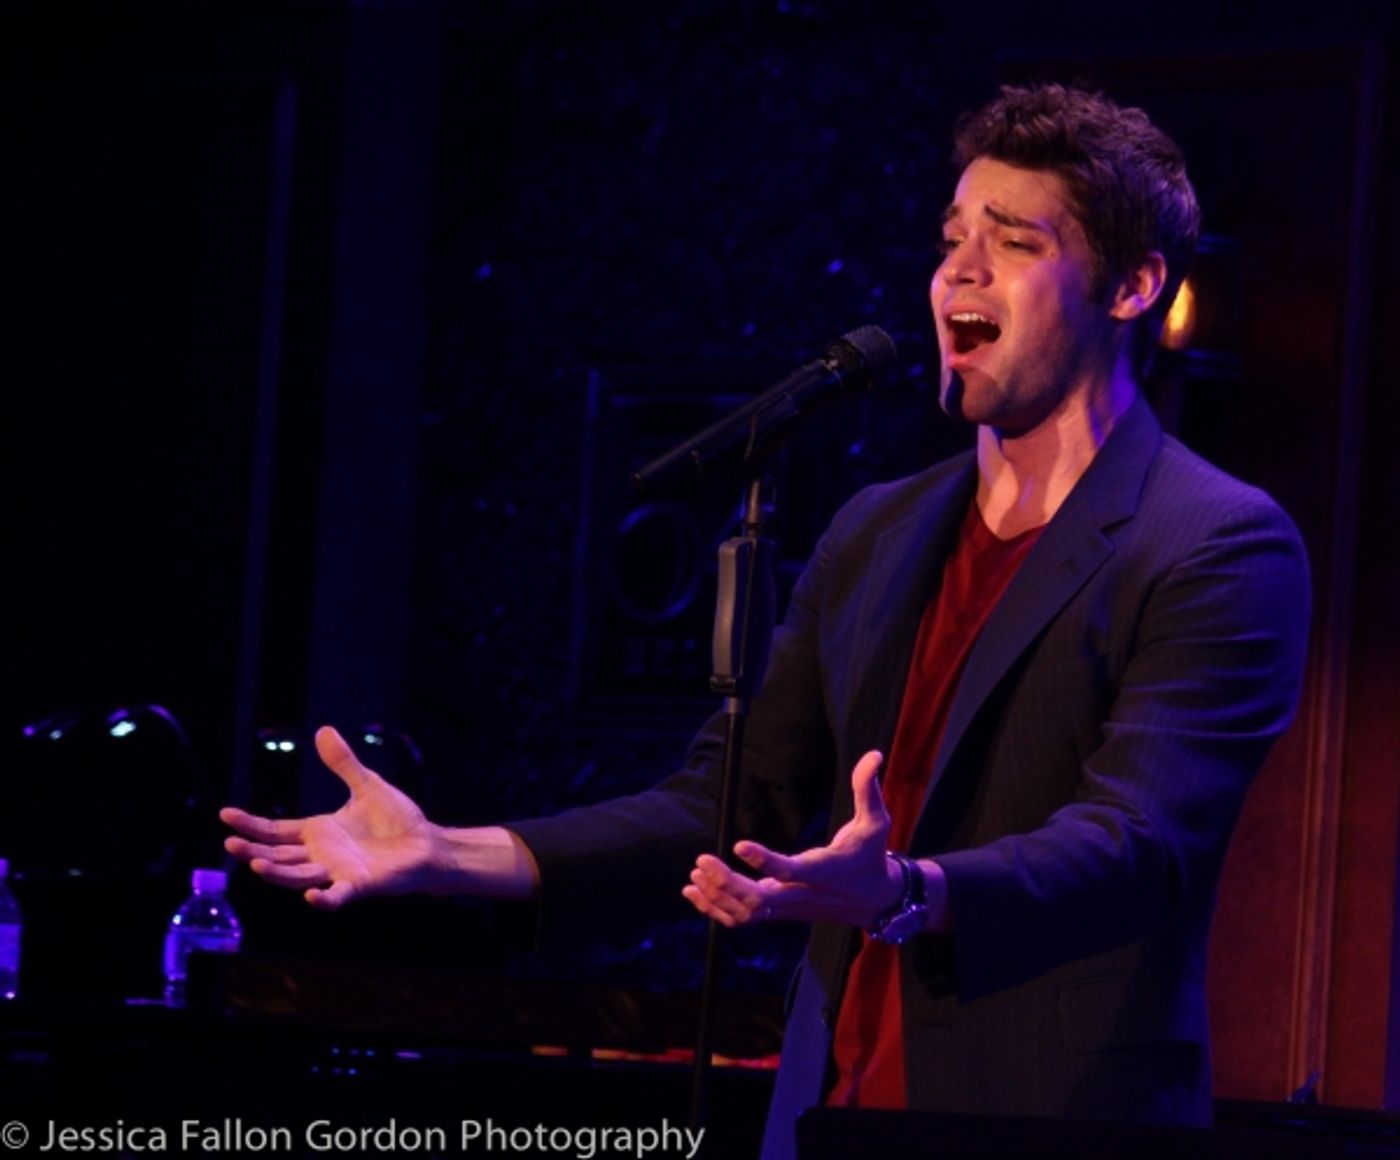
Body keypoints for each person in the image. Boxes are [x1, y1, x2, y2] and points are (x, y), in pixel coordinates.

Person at [222, 83, 1311, 1159]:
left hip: (1050, 1117)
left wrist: (903, 892)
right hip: (824, 1113)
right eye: (950, 238)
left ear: (1131, 286)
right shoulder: (877, 531)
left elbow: (1133, 843)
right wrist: (455, 852)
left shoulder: (1212, 542)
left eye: (1015, 242)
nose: (959, 272)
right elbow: (729, 799)